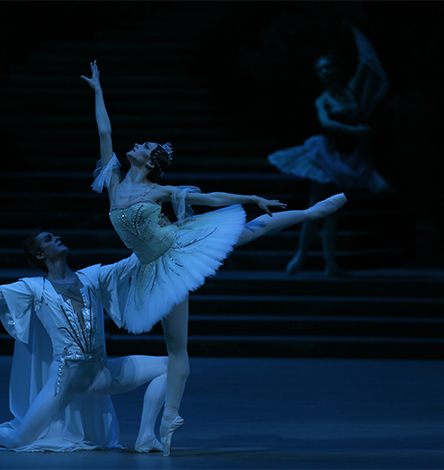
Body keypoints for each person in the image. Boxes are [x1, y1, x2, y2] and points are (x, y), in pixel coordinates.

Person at [81, 60, 347, 455]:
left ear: (152, 162)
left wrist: (251, 198)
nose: (137, 144)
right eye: (140, 142)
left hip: (178, 250)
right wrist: (98, 90)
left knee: (248, 232)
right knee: (175, 348)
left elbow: (211, 198)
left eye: (146, 146)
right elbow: (105, 131)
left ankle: (309, 214)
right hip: (151, 268)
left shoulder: (157, 191)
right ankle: (167, 421)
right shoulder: (114, 183)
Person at [0, 229, 168, 453]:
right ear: (40, 254)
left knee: (170, 366)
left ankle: (146, 436)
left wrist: (167, 230)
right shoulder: (34, 288)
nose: (57, 238)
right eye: (49, 239)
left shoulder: (92, 277)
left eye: (56, 235)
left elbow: (135, 261)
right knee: (19, 441)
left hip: (101, 373)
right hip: (65, 379)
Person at [267, 22, 392, 277]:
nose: (325, 72)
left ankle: (327, 262)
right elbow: (326, 123)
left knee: (331, 211)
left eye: (328, 67)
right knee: (317, 209)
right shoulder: (323, 99)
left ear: (335, 69)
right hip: (327, 156)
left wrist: (360, 40)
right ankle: (304, 256)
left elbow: (366, 67)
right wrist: (356, 131)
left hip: (348, 157)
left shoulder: (350, 90)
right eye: (321, 69)